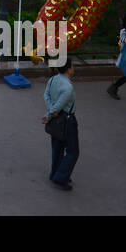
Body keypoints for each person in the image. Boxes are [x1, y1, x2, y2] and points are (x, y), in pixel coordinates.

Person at [42, 59, 79, 190]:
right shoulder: (68, 87)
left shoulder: (53, 80)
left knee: (57, 149)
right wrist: (50, 114)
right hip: (67, 120)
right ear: (68, 69)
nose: (74, 68)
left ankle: (55, 174)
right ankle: (61, 177)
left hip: (55, 121)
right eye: (73, 66)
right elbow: (59, 106)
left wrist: (51, 112)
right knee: (73, 151)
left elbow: (46, 95)